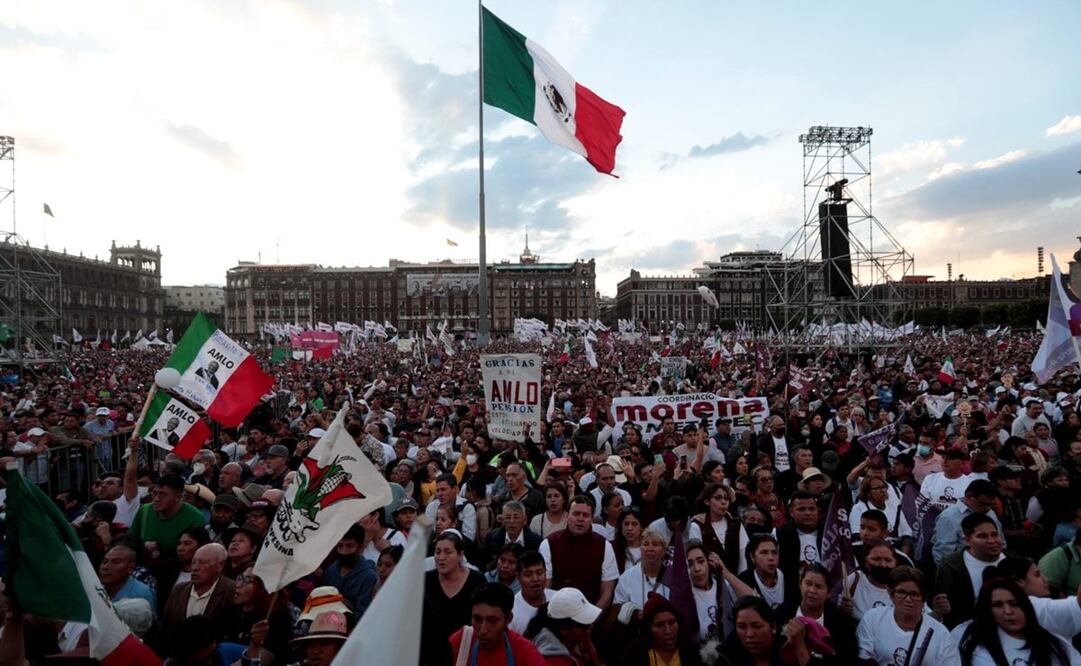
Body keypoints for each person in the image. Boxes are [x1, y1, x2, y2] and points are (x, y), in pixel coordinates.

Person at [957, 578, 1081, 666]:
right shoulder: (974, 646)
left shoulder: (1056, 645)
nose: (1008, 611)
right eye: (997, 605)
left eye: (1014, 604)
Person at [857, 566, 960, 666]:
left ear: (924, 598)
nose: (908, 599)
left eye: (914, 594)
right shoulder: (873, 618)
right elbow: (863, 656)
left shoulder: (942, 635)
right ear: (891, 594)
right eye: (901, 592)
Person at [539, 495, 619, 610]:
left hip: (593, 615)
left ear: (592, 519)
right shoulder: (549, 544)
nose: (580, 519)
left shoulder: (605, 546)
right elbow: (546, 589)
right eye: (576, 514)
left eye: (586, 515)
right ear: (567, 516)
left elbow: (607, 592)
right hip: (556, 613)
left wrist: (591, 618)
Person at [775, 565, 858, 664]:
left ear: (829, 593)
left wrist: (800, 644)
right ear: (800, 585)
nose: (812, 590)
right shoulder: (783, 613)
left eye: (819, 586)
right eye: (808, 584)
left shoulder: (842, 623)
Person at [935, 513, 1006, 628]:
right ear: (968, 540)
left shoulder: (1013, 561)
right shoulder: (951, 566)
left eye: (994, 534)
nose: (992, 541)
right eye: (983, 536)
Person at [449, 583, 548, 666]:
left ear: (508, 619)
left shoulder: (524, 652)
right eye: (477, 619)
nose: (483, 630)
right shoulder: (462, 642)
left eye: (492, 621)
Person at [129, 473, 206, 565]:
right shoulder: (145, 510)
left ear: (178, 497)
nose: (156, 499)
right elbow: (130, 540)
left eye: (163, 494)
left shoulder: (195, 518)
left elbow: (192, 554)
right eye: (155, 493)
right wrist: (143, 548)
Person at [424, 530, 488, 639]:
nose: (441, 557)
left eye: (448, 552)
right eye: (438, 552)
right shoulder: (426, 580)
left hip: (466, 644)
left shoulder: (477, 580)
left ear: (460, 555)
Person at [162, 543, 235, 630]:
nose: (195, 568)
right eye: (193, 562)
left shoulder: (232, 590)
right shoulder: (178, 590)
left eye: (203, 562)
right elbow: (165, 626)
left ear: (220, 565)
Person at [525, 587, 605, 666]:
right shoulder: (554, 660)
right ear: (563, 629)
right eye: (583, 626)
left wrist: (588, 646)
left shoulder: (571, 637)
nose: (590, 627)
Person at [621, 594, 705, 666]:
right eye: (659, 625)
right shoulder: (635, 655)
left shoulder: (691, 652)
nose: (668, 631)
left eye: (672, 622)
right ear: (648, 628)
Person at [933, 479, 1002, 561]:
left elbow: (1001, 540)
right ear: (969, 497)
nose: (988, 508)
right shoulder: (949, 517)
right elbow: (943, 552)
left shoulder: (990, 513)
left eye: (991, 505)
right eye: (983, 504)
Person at [322, 523, 378, 619]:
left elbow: (363, 615)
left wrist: (345, 605)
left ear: (360, 547)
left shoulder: (369, 576)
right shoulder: (331, 570)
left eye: (349, 546)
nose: (344, 551)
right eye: (340, 546)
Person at [614, 528, 671, 620]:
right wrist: (634, 614)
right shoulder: (627, 577)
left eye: (655, 544)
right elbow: (616, 608)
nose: (650, 549)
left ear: (664, 551)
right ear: (640, 549)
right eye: (645, 544)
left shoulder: (673, 576)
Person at [510, 550, 555, 635]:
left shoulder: (558, 599)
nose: (535, 579)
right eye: (528, 574)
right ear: (518, 578)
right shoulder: (512, 612)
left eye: (539, 573)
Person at [99, 543, 157, 608]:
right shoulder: (95, 587)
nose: (106, 567)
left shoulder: (141, 594)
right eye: (104, 561)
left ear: (131, 568)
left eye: (116, 562)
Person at [739, 534, 788, 610]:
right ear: (752, 557)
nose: (771, 558)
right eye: (764, 552)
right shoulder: (743, 581)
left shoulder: (788, 578)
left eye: (774, 552)